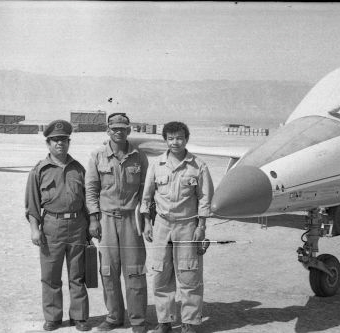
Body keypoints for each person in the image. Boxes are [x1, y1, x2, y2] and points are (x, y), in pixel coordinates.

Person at [140, 121, 214, 333]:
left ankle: (190, 323)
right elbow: (146, 197)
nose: (175, 142)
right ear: (165, 140)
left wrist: (202, 226)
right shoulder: (156, 165)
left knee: (189, 275)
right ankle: (165, 322)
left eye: (179, 138)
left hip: (187, 226)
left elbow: (204, 199)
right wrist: (147, 223)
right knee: (161, 274)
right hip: (162, 226)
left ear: (186, 139)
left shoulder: (198, 166)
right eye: (171, 138)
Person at [25, 119, 91, 332]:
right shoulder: (39, 170)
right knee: (51, 275)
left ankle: (79, 316)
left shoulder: (78, 169)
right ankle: (53, 317)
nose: (59, 144)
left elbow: (88, 201)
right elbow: (32, 204)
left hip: (78, 225)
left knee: (77, 275)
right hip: (51, 226)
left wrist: (90, 227)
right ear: (48, 143)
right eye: (55, 140)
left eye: (63, 140)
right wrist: (35, 229)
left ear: (69, 142)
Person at [85, 113, 149, 333]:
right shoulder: (97, 156)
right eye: (115, 128)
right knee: (108, 271)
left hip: (132, 220)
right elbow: (91, 190)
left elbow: (145, 191)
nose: (119, 132)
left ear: (129, 130)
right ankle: (114, 317)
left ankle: (138, 320)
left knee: (135, 271)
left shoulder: (139, 156)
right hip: (107, 219)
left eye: (123, 128)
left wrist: (146, 219)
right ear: (108, 130)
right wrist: (94, 218)